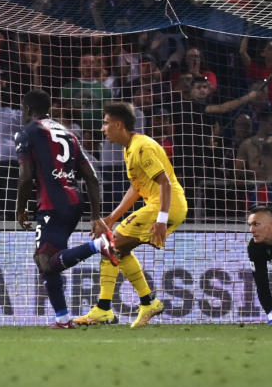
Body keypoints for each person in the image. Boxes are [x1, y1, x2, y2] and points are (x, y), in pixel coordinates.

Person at [75, 102, 188, 327]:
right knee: (117, 249)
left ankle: (105, 309)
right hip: (163, 205)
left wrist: (161, 221)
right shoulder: (130, 148)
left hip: (165, 205)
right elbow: (137, 188)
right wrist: (110, 219)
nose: (102, 128)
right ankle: (146, 302)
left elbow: (164, 182)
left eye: (105, 123)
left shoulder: (142, 147)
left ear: (119, 125)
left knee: (110, 244)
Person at [15, 89, 117, 328]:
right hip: (74, 202)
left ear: (28, 110)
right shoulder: (68, 133)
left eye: (22, 110)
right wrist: (95, 215)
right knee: (48, 260)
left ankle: (98, 245)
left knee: (45, 261)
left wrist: (21, 209)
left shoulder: (26, 133)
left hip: (52, 203)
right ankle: (62, 319)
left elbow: (25, 176)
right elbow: (91, 177)